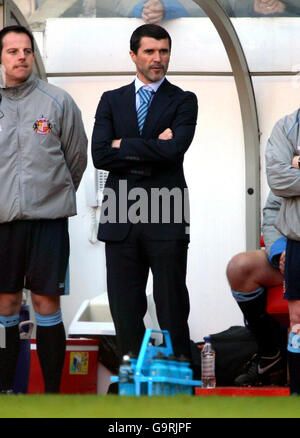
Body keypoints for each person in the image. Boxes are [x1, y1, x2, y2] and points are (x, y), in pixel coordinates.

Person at [92, 24, 198, 364]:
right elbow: (100, 155)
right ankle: (131, 379)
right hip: (120, 209)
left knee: (171, 302)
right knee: (124, 304)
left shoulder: (183, 100)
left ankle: (179, 378)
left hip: (165, 211)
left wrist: (124, 144)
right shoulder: (111, 100)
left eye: (164, 51)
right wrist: (154, 144)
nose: (158, 58)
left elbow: (175, 150)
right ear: (133, 55)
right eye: (150, 51)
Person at [0, 25, 87, 394]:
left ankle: (52, 393)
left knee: (45, 302)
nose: (22, 57)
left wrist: (53, 195)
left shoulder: (58, 101)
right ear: (1, 58)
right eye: (13, 51)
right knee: (5, 303)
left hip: (48, 222)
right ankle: (5, 389)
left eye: (27, 50)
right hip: (3, 223)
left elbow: (77, 158)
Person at [227, 190, 287, 386]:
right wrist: (281, 253)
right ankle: (271, 354)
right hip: (292, 253)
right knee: (240, 267)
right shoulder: (293, 164)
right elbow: (272, 214)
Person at [265, 107, 300, 395]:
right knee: (298, 323)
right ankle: (294, 387)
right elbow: (278, 181)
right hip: (294, 243)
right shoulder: (287, 127)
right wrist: (278, 251)